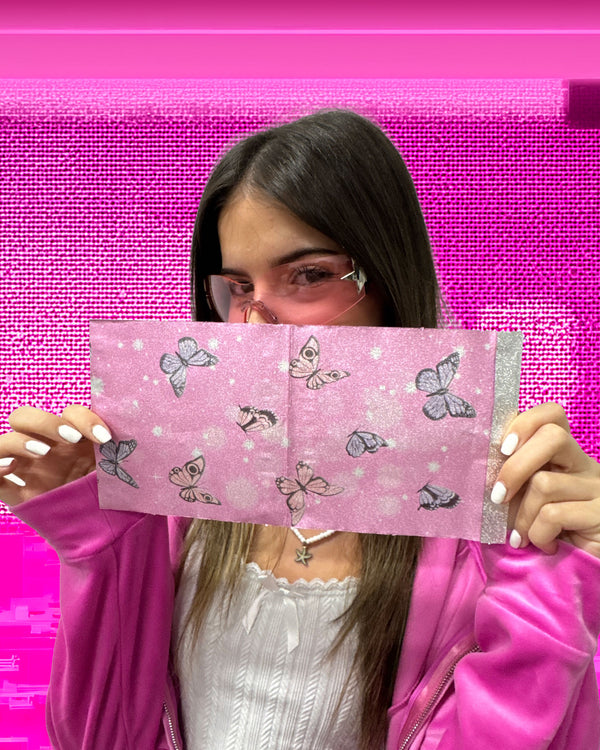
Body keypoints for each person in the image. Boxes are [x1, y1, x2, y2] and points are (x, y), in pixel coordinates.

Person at [2, 110, 600, 750]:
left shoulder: (495, 523)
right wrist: (100, 541)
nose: (255, 325)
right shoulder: (180, 496)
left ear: (387, 278)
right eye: (237, 287)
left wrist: (566, 575)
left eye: (309, 275)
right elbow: (96, 738)